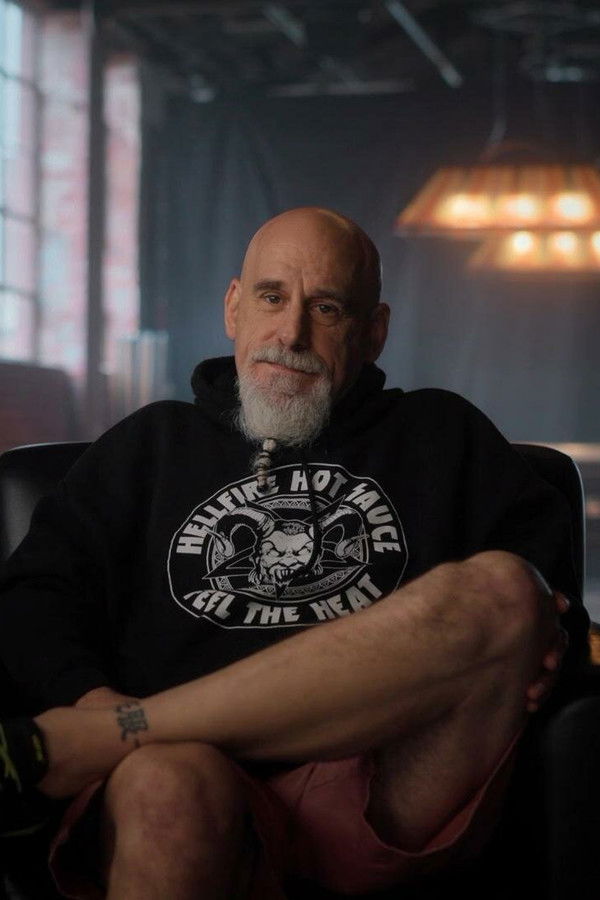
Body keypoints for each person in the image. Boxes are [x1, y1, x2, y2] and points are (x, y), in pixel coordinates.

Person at [0, 207, 588, 899]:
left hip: (386, 786)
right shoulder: (147, 446)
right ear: (234, 307)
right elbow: (33, 600)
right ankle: (138, 736)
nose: (291, 334)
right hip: (185, 775)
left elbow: (544, 619)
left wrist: (104, 729)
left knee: (504, 591)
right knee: (165, 784)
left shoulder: (445, 435)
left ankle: (119, 735)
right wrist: (97, 699)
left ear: (374, 332)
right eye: (272, 297)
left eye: (327, 308)